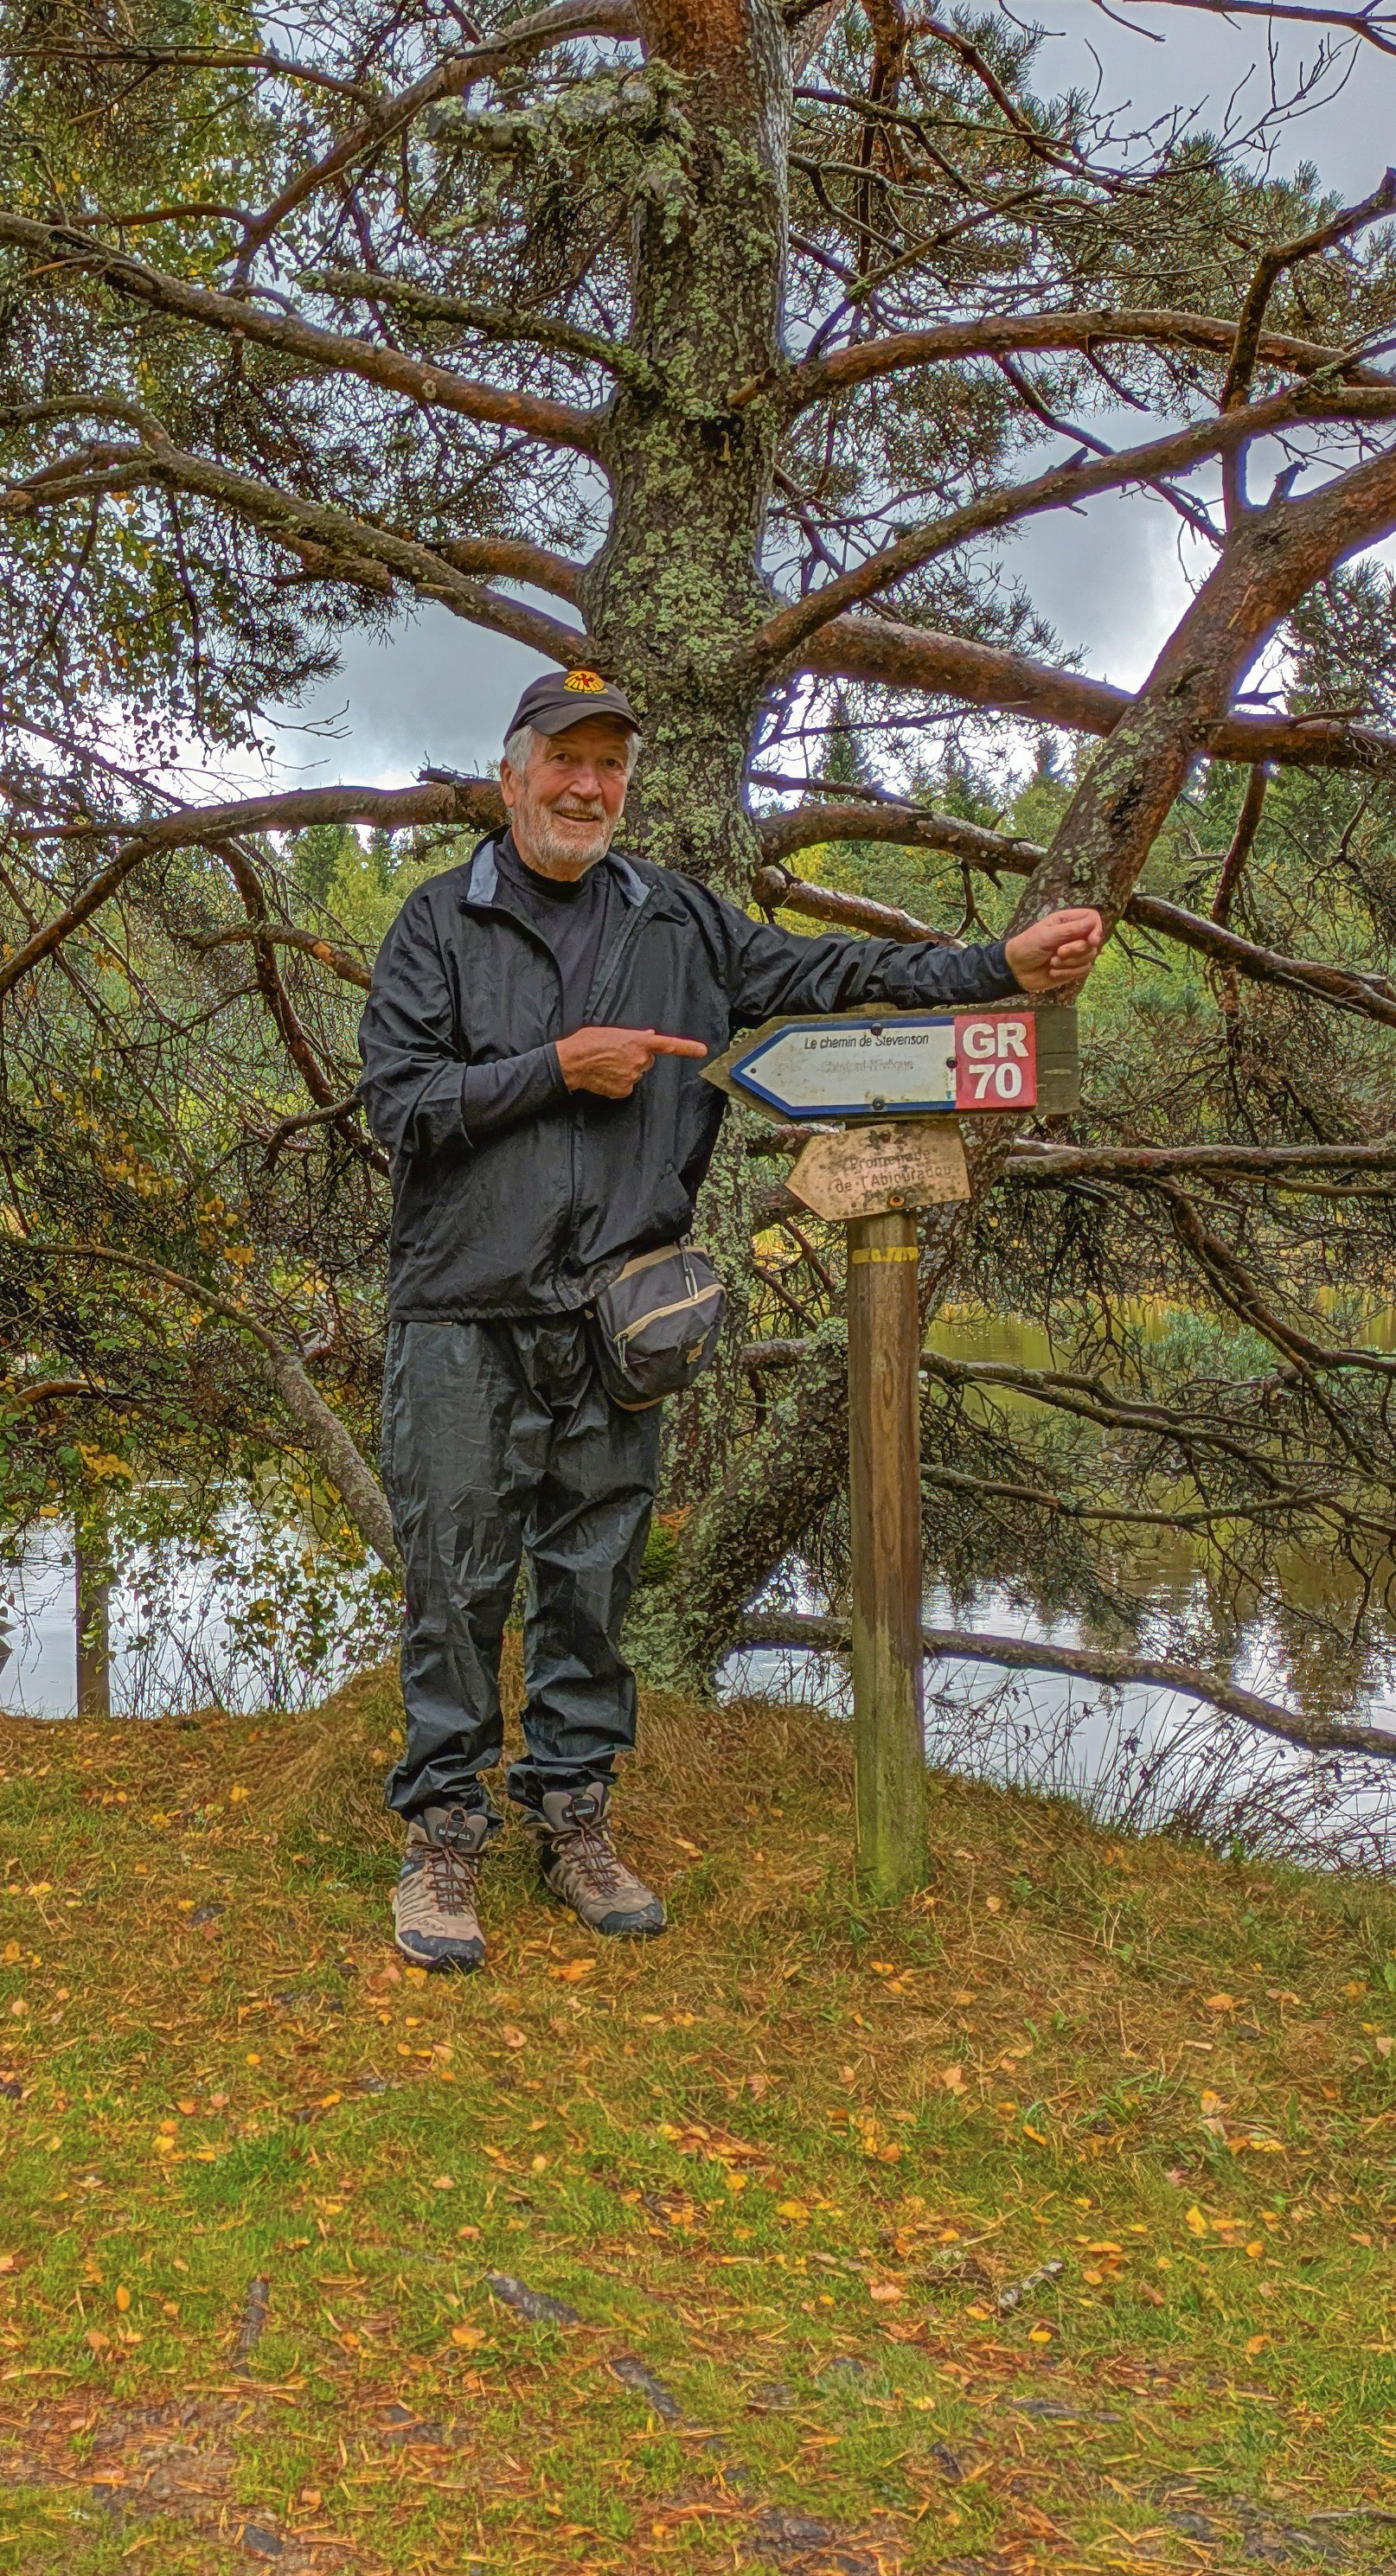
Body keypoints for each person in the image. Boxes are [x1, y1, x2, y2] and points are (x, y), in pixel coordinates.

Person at [352, 667, 1107, 1971]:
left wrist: (995, 964)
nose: (589, 788)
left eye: (610, 769)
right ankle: (443, 1844)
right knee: (457, 1586)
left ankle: (576, 1820)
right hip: (461, 1319)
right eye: (567, 762)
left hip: (623, 1318)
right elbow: (399, 1106)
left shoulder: (679, 922)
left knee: (593, 1589)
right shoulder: (438, 923)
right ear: (514, 770)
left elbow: (832, 971)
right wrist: (554, 1070)